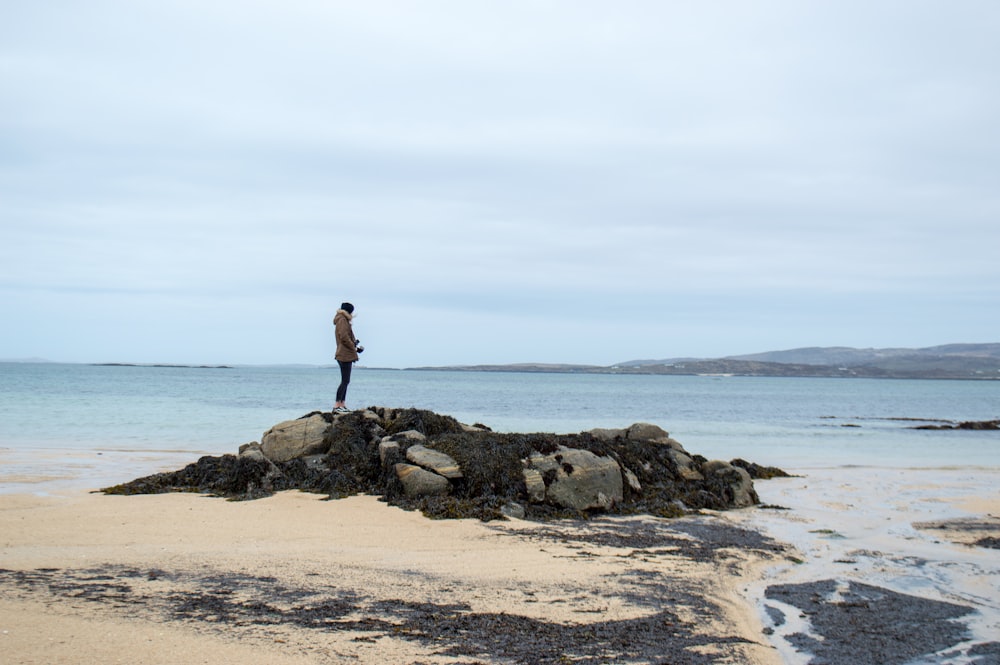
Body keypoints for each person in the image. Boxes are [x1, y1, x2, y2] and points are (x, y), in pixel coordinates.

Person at [333, 302, 363, 414]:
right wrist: (353, 348)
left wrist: (355, 344)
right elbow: (344, 337)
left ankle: (342, 404)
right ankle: (337, 405)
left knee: (346, 381)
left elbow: (345, 337)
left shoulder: (341, 319)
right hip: (344, 354)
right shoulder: (342, 320)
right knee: (345, 381)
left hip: (344, 353)